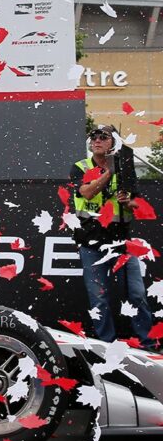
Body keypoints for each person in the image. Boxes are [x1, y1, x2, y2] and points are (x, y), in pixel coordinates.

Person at [71, 124, 152, 348]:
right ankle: (106, 346)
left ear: (113, 141)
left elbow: (140, 204)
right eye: (94, 136)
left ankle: (149, 345)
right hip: (92, 244)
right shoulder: (80, 167)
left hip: (122, 243)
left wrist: (129, 202)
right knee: (99, 299)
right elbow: (86, 191)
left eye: (103, 137)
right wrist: (109, 172)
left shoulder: (125, 166)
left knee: (137, 295)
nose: (97, 140)